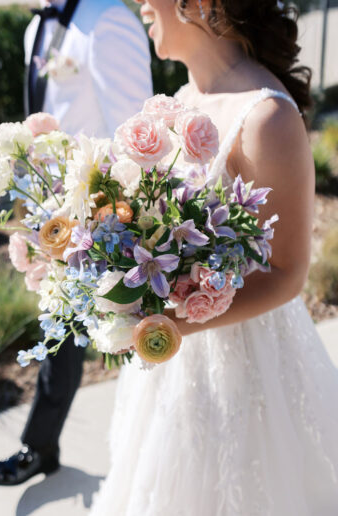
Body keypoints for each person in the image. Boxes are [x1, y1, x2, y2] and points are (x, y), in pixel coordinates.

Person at [89, 1, 338, 514]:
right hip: (174, 371)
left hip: (252, 363)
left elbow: (288, 273)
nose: (140, 5)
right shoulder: (177, 101)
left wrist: (171, 324)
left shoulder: (267, 116)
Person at [0, 0, 152, 486]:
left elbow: (134, 133)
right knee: (60, 333)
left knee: (129, 337)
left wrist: (107, 214)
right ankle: (41, 447)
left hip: (101, 219)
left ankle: (145, 452)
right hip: (50, 212)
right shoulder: (36, 25)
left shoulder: (108, 18)